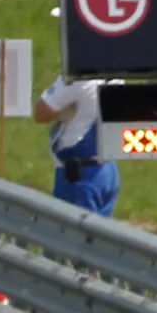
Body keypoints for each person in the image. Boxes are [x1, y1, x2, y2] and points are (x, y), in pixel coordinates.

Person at [36, 73, 119, 218]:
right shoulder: (116, 71)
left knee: (73, 238)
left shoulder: (78, 79)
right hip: (107, 170)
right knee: (102, 236)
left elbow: (41, 113)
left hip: (79, 177)